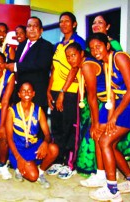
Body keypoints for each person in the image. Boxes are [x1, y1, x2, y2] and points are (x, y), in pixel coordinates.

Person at [82, 33, 130, 201]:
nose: (96, 51)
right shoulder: (106, 65)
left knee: (104, 142)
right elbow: (112, 97)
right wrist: (109, 119)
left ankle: (112, 190)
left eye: (99, 46)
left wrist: (114, 117)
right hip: (129, 104)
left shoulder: (119, 57)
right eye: (92, 48)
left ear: (107, 46)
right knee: (109, 142)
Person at [76, 14, 130, 176]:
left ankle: (107, 175)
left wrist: (112, 111)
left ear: (107, 27)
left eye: (100, 22)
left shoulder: (114, 48)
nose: (95, 25)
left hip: (113, 98)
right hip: (100, 96)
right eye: (94, 22)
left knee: (103, 136)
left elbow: (120, 79)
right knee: (96, 134)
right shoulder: (91, 48)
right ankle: (103, 172)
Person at [46, 12, 85, 179]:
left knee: (70, 127)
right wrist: (49, 91)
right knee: (57, 126)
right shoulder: (58, 45)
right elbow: (54, 69)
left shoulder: (79, 42)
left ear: (74, 24)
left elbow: (75, 68)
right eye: (61, 21)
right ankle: (58, 159)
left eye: (67, 21)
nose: (63, 24)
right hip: (55, 91)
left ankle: (70, 164)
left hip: (70, 92)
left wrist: (62, 93)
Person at [6, 81, 59, 189]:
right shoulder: (12, 111)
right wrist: (18, 158)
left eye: (29, 90)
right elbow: (9, 138)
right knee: (32, 176)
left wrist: (45, 142)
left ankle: (41, 172)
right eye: (23, 91)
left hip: (33, 146)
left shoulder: (38, 110)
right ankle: (19, 167)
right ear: (19, 94)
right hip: (18, 149)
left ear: (33, 93)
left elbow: (47, 134)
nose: (27, 93)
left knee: (53, 149)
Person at [9, 16, 53, 116]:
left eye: (35, 26)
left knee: (37, 127)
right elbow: (16, 64)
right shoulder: (21, 45)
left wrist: (16, 67)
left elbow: (41, 64)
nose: (32, 28)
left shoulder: (46, 46)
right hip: (20, 94)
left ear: (41, 30)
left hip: (37, 94)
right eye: (29, 26)